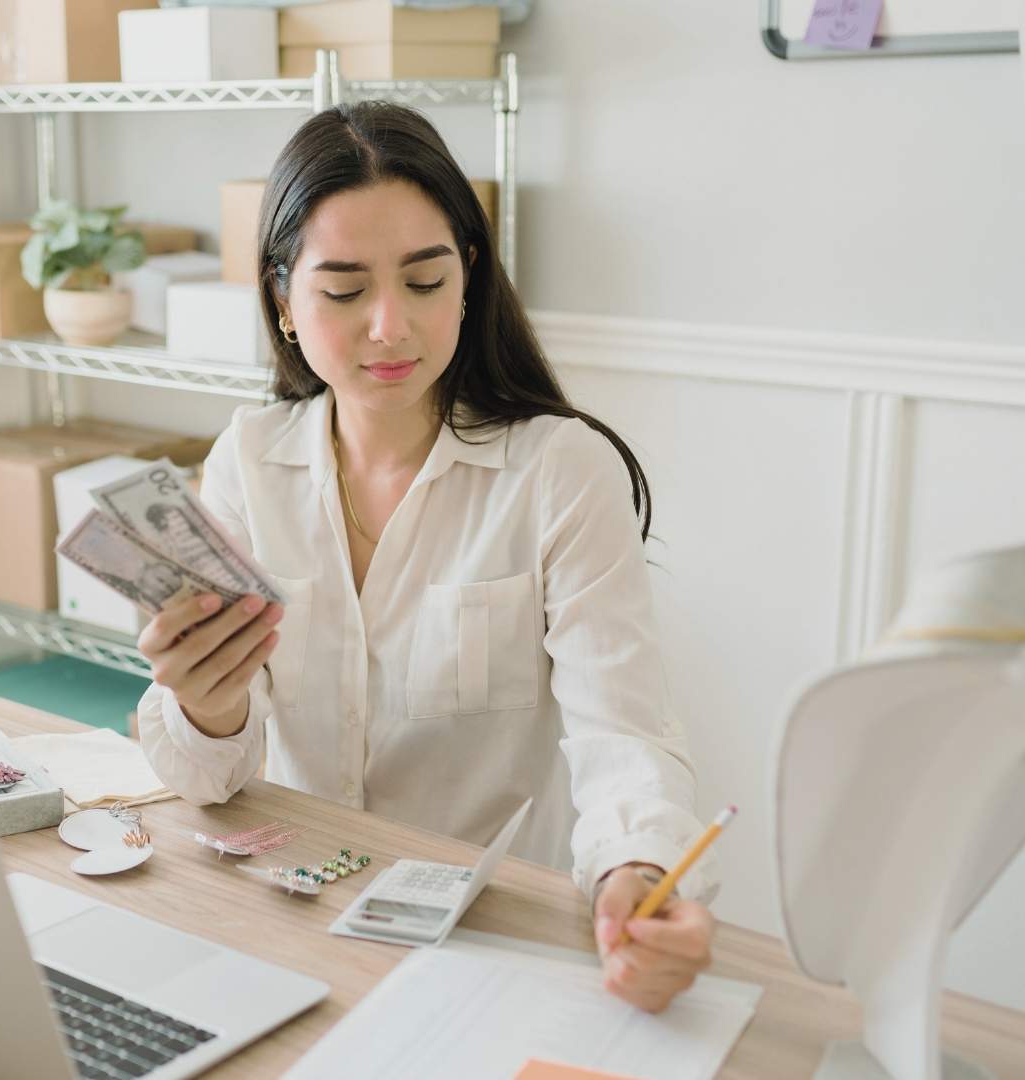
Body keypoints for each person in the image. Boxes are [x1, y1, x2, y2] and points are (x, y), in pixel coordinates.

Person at [134, 102, 715, 1013]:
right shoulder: (247, 461)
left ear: (470, 280)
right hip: (292, 921)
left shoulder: (560, 471)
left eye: (424, 281)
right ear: (284, 302)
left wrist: (634, 871)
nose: (390, 328)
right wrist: (206, 709)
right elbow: (207, 783)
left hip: (488, 945)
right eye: (344, 290)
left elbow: (625, 735)